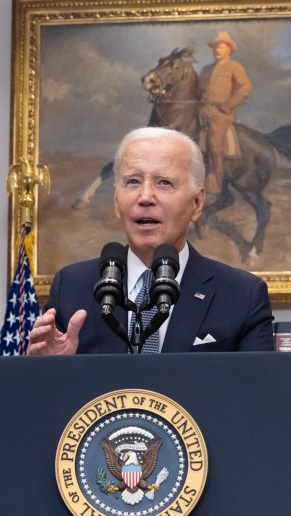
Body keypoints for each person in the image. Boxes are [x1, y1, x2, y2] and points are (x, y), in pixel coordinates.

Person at [29, 126, 273, 355]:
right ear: (116, 201)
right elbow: (50, 394)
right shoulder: (72, 287)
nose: (145, 197)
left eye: (164, 182)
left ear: (197, 204)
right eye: (133, 181)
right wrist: (53, 368)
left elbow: (258, 394)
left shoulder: (242, 295)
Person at [202, 31, 252, 195]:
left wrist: (229, 104)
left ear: (229, 49)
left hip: (220, 113)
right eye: (216, 46)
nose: (218, 49)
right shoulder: (206, 69)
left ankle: (215, 181)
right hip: (202, 110)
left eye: (222, 46)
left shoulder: (234, 67)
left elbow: (245, 87)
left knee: (214, 139)